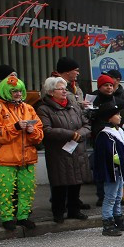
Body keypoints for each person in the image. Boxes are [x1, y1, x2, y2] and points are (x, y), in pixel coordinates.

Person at [0, 74, 43, 231]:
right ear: (5, 91)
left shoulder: (29, 108)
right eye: (14, 91)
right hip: (4, 158)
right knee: (6, 190)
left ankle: (23, 216)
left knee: (26, 188)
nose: (18, 94)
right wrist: (16, 127)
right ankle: (7, 218)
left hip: (27, 158)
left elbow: (40, 134)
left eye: (20, 91)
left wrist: (32, 131)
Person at [36, 76, 92, 223]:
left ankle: (74, 210)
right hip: (58, 151)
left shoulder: (73, 106)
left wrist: (79, 134)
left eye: (65, 88)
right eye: (60, 89)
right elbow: (46, 130)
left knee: (76, 182)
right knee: (60, 183)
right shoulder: (44, 109)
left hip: (77, 149)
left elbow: (87, 124)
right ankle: (58, 212)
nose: (64, 91)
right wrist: (70, 134)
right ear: (50, 92)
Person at [91, 105, 124, 236]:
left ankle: (118, 219)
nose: (120, 117)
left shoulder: (118, 131)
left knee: (118, 197)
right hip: (112, 170)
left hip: (120, 169)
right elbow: (109, 154)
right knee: (110, 197)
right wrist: (123, 160)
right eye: (117, 114)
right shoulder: (105, 134)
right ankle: (107, 223)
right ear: (109, 118)